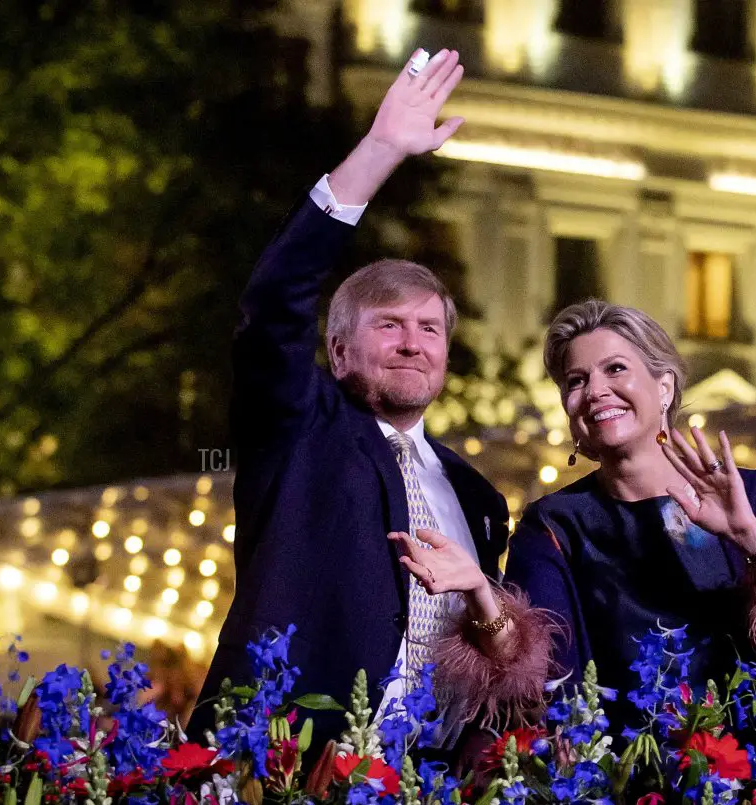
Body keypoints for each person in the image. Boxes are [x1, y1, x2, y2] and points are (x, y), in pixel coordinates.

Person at [187, 50, 545, 754]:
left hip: (428, 776)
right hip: (289, 767)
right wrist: (380, 150)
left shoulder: (477, 495)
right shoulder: (296, 426)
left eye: (430, 328)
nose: (414, 343)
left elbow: (488, 662)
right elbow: (274, 302)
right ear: (340, 350)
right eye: (388, 324)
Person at [404, 300, 756, 731]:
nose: (596, 391)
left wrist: (751, 536)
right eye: (576, 380)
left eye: (615, 369)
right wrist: (483, 596)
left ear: (664, 387)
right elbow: (538, 684)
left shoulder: (748, 494)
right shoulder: (554, 526)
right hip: (629, 774)